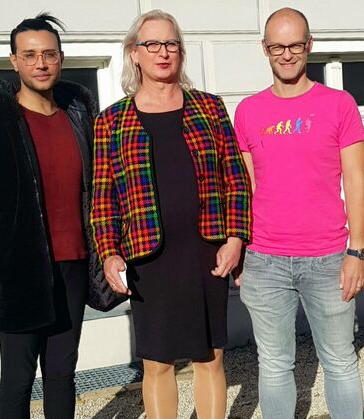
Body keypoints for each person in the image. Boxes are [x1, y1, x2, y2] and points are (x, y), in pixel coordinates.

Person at [90, 9, 251, 419]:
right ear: (134, 54)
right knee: (157, 363)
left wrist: (235, 239)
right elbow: (103, 198)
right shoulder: (111, 121)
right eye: (153, 44)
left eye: (171, 44)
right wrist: (109, 252)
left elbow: (235, 178)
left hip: (206, 252)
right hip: (147, 259)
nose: (163, 53)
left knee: (210, 357)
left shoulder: (210, 109)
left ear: (180, 52)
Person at [0, 13, 96, 419]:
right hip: (18, 271)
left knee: (62, 373)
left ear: (61, 59)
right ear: (13, 61)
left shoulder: (78, 117)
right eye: (29, 55)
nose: (41, 63)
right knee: (17, 378)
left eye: (49, 54)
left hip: (73, 266)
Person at [233, 7, 364, 419]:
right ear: (265, 49)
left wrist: (357, 251)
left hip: (329, 259)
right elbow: (245, 188)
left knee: (340, 361)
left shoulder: (339, 104)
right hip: (265, 261)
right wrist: (240, 248)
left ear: (310, 45)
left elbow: (357, 180)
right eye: (278, 46)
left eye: (295, 45)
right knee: (273, 366)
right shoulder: (248, 111)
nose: (286, 54)